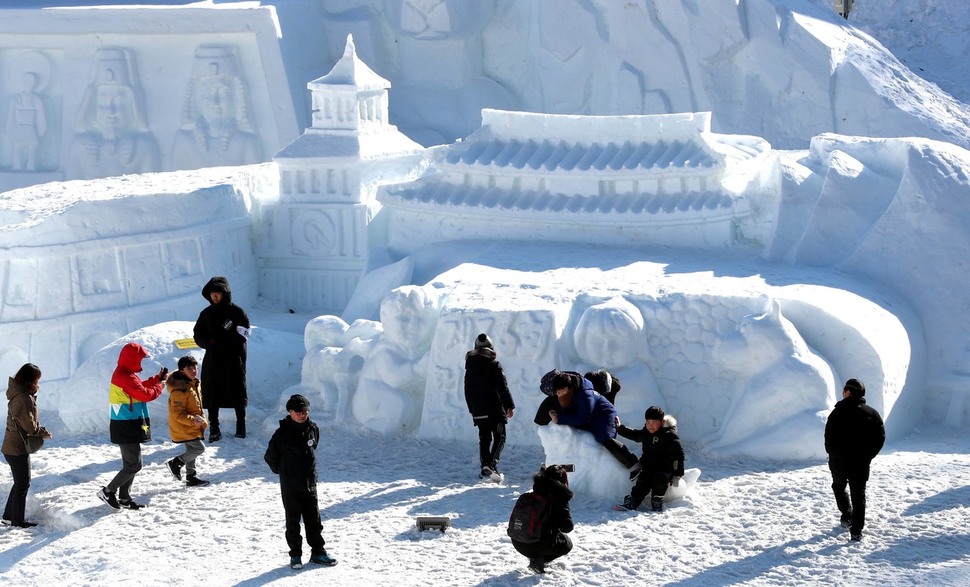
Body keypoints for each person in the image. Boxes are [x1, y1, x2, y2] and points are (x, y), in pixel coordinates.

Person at [264, 394, 337, 570]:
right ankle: (295, 554)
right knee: (293, 521)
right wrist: (285, 473)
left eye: (305, 411)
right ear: (290, 412)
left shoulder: (312, 428)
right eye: (298, 411)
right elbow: (270, 457)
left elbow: (314, 446)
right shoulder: (281, 434)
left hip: (310, 482)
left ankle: (318, 552)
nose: (302, 414)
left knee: (314, 520)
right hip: (291, 485)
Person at [98, 342, 167, 510]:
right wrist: (160, 386)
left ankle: (124, 497)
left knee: (130, 464)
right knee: (134, 465)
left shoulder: (126, 373)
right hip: (125, 424)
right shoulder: (125, 376)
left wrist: (157, 379)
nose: (141, 363)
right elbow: (144, 394)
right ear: (132, 359)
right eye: (140, 359)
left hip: (127, 422)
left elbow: (139, 387)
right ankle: (108, 491)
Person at [824, 378, 886, 541]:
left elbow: (829, 435)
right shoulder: (872, 414)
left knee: (838, 486)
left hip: (838, 462)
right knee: (858, 494)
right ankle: (856, 530)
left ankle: (847, 514)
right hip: (860, 463)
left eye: (844, 390)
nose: (842, 393)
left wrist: (831, 452)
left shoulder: (837, 412)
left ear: (849, 392)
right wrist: (868, 456)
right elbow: (880, 438)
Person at [193, 276, 250, 441]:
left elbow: (244, 333)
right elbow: (198, 334)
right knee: (212, 391)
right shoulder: (206, 314)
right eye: (212, 294)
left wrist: (224, 343)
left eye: (218, 293)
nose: (215, 297)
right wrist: (208, 343)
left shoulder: (238, 312)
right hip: (213, 358)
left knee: (237, 390)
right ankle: (214, 427)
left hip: (234, 359)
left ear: (225, 293)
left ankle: (241, 425)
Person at [547, 371, 638, 470]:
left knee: (604, 437)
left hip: (604, 414)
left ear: (570, 387)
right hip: (591, 417)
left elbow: (582, 417)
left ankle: (632, 463)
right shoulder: (566, 394)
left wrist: (559, 418)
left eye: (563, 391)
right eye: (558, 392)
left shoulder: (585, 394)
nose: (560, 394)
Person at [2, 363, 51, 528]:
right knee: (23, 483)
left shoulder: (19, 394)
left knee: (20, 482)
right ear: (31, 379)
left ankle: (9, 516)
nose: (38, 382)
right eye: (37, 379)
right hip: (17, 448)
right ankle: (17, 521)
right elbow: (29, 426)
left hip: (12, 446)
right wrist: (42, 432)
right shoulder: (23, 398)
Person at [463, 333, 516, 478]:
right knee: (500, 436)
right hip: (494, 410)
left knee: (484, 438)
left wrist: (472, 409)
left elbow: (466, 390)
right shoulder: (494, 365)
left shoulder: (470, 366)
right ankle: (491, 465)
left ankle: (485, 468)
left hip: (478, 410)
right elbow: (502, 387)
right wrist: (509, 406)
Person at [616, 406, 685, 512]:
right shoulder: (646, 433)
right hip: (648, 466)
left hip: (665, 468)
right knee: (642, 482)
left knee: (660, 479)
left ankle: (657, 499)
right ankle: (633, 501)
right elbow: (635, 435)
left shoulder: (669, 435)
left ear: (662, 422)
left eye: (654, 422)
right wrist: (619, 428)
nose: (650, 425)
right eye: (648, 422)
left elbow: (678, 456)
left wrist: (677, 474)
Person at [509, 464, 574, 574]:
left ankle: (536, 558)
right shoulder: (559, 497)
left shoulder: (533, 495)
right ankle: (537, 561)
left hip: (517, 542)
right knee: (566, 543)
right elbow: (567, 527)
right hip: (535, 544)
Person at [166, 356, 210, 487]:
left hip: (192, 425)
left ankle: (191, 477)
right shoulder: (180, 390)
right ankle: (176, 463)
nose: (193, 370)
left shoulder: (193, 383)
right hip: (184, 426)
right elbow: (178, 414)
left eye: (195, 367)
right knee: (198, 449)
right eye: (189, 368)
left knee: (192, 451)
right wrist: (193, 421)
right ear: (181, 371)